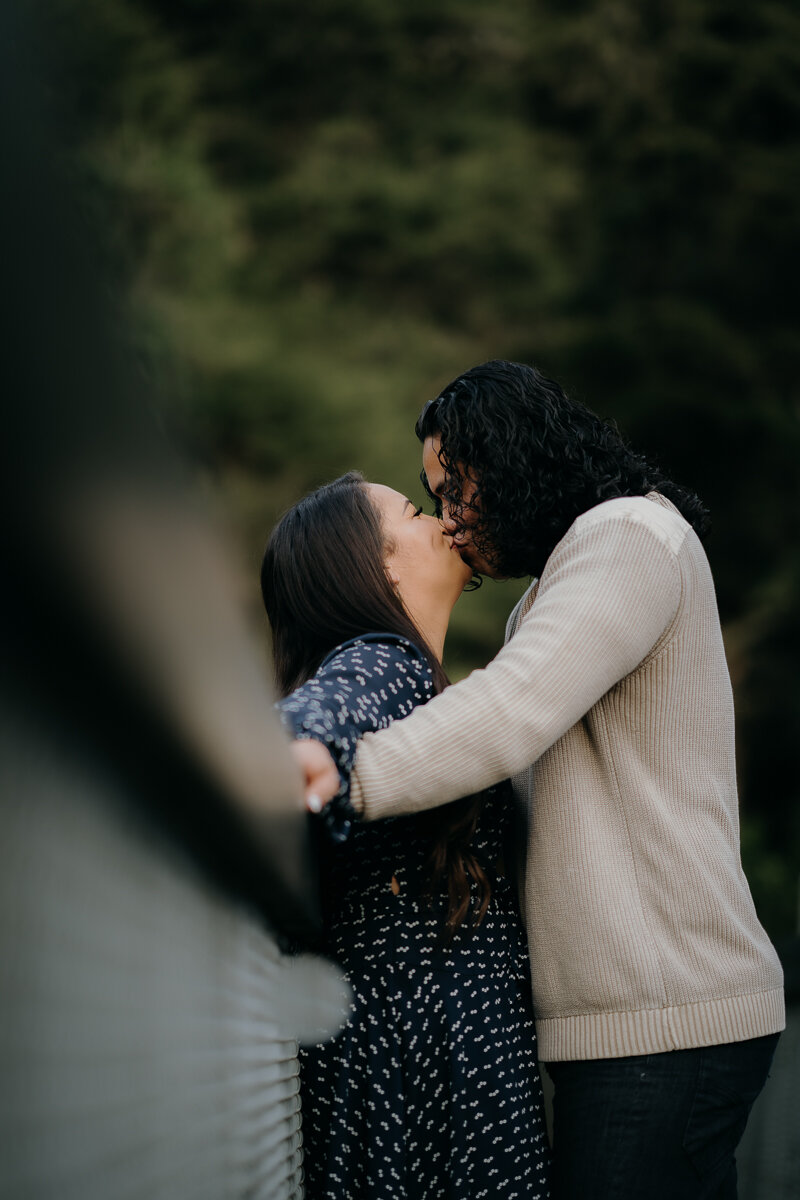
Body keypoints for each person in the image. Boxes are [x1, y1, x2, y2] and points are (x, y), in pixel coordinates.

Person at [294, 363, 785, 1200]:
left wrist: (344, 775)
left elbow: (512, 708)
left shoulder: (629, 536)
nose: (449, 521)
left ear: (511, 457)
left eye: (452, 489)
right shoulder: (555, 589)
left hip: (664, 1019)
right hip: (632, 1029)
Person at [261, 470, 552, 1200]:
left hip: (403, 1060)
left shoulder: (408, 676)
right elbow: (319, 717)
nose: (443, 519)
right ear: (380, 566)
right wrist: (303, 749)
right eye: (417, 511)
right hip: (434, 1066)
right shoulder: (384, 663)